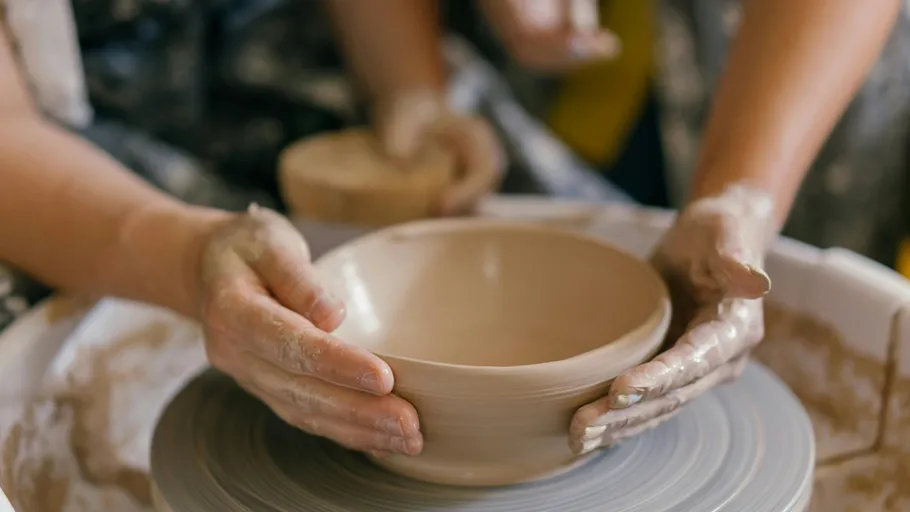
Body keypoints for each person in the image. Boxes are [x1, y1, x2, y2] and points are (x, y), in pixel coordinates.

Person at [0, 0, 900, 460]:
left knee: (525, 194)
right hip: (59, 129)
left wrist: (406, 87)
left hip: (281, 37)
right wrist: (186, 257)